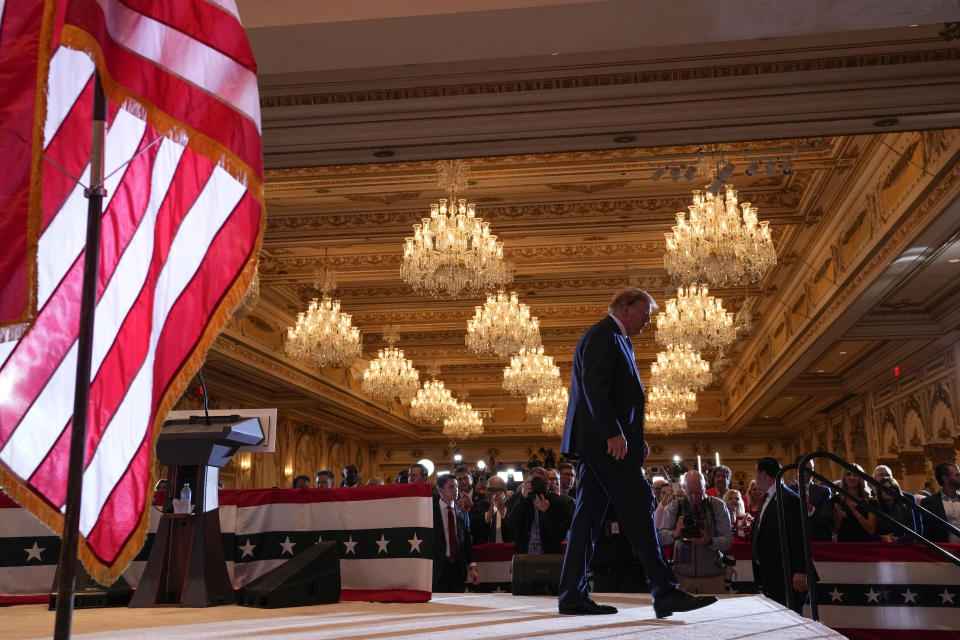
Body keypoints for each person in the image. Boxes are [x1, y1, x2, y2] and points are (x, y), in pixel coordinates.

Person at [557, 287, 717, 618]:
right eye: (645, 313)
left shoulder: (618, 339)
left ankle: (572, 593)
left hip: (603, 443)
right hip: (604, 444)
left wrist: (631, 434)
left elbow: (618, 396)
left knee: (586, 520)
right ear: (625, 307)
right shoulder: (604, 334)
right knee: (639, 507)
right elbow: (595, 388)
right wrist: (613, 432)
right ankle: (664, 590)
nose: (648, 320)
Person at [751, 457, 814, 613]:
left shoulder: (790, 498)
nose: (755, 478)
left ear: (764, 474)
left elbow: (801, 536)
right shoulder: (767, 498)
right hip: (771, 573)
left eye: (756, 473)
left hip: (788, 575)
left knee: (789, 619)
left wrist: (801, 570)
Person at [657, 471, 732, 594]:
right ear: (683, 487)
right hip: (682, 577)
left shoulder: (717, 506)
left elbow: (728, 541)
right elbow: (660, 537)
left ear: (705, 486)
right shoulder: (675, 507)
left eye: (699, 492)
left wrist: (709, 541)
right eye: (690, 492)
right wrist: (675, 533)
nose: (694, 497)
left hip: (712, 577)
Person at [504, 467, 574, 554]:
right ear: (527, 483)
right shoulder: (517, 498)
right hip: (523, 556)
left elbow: (560, 535)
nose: (538, 485)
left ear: (547, 484)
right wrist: (523, 499)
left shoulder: (557, 501)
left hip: (550, 558)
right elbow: (510, 526)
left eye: (542, 482)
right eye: (534, 482)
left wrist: (547, 511)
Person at [433, 474, 480, 592]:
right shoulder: (430, 512)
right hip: (438, 570)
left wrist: (473, 567)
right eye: (451, 487)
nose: (456, 490)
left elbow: (467, 543)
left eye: (456, 486)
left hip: (458, 570)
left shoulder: (462, 513)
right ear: (440, 490)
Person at [792, 458, 834, 542]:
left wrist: (809, 507)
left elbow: (827, 518)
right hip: (795, 539)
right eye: (804, 469)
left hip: (818, 538)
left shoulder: (823, 491)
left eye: (811, 469)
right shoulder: (788, 491)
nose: (807, 473)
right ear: (796, 470)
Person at [833, 465, 878, 542]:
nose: (852, 478)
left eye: (855, 475)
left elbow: (871, 530)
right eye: (848, 474)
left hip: (866, 543)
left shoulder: (870, 500)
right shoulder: (837, 499)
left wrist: (855, 512)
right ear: (844, 477)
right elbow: (835, 531)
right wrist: (839, 517)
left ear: (861, 478)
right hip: (845, 543)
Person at [919, 462, 960, 543]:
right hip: (944, 551)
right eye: (957, 475)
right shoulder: (929, 503)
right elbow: (928, 533)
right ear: (945, 478)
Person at [876, 476, 922, 542]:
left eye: (891, 488)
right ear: (880, 491)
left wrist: (898, 539)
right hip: (883, 546)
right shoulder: (876, 507)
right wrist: (882, 538)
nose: (888, 491)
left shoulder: (905, 507)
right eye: (884, 488)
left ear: (896, 490)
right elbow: (871, 534)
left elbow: (913, 533)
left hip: (903, 545)